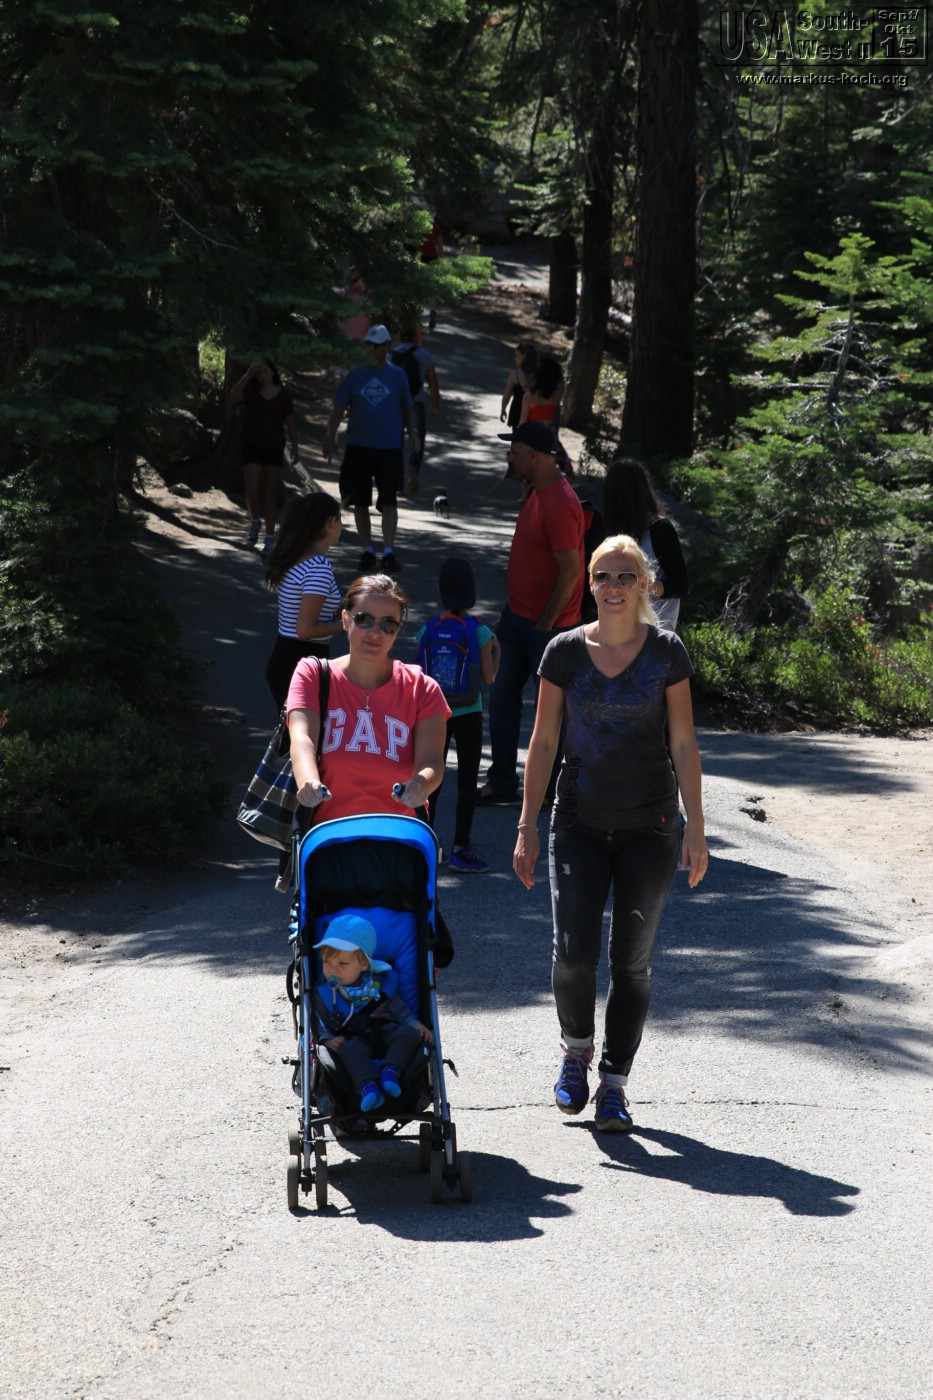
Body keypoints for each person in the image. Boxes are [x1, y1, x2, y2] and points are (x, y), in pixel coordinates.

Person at [512, 533, 708, 1134]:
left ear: (645, 585)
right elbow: (544, 740)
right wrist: (526, 823)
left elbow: (683, 742)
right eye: (603, 576)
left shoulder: (666, 652)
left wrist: (697, 828)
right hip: (577, 825)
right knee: (574, 956)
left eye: (626, 576)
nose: (614, 586)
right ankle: (575, 1053)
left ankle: (615, 1085)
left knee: (632, 964)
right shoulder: (564, 653)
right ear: (589, 584)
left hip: (652, 828)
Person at [477, 422, 585, 805]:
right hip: (516, 619)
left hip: (547, 629)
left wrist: (546, 622)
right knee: (502, 697)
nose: (510, 457)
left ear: (534, 456)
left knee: (551, 713)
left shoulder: (560, 503)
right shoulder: (536, 492)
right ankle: (502, 781)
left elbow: (571, 571)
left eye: (515, 451)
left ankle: (550, 792)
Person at [287, 574, 449, 825]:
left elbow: (432, 762)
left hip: (399, 835)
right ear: (345, 620)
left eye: (388, 624)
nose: (375, 632)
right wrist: (308, 780)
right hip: (327, 834)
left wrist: (420, 784)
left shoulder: (422, 688)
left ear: (398, 630)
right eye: (364, 620)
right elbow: (302, 737)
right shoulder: (313, 675)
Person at [418, 558, 500, 873]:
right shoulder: (480, 632)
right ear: (474, 592)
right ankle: (460, 850)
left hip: (435, 712)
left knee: (431, 779)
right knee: (467, 781)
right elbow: (489, 678)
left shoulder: (427, 630)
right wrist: (496, 652)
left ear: (439, 591)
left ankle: (427, 846)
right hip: (469, 712)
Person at [322, 326, 421, 576]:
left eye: (375, 346)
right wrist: (330, 436)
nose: (371, 350)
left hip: (389, 447)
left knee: (389, 500)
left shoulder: (397, 375)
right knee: (359, 501)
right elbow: (338, 408)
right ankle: (366, 549)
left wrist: (413, 433)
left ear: (386, 347)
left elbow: (408, 408)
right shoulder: (355, 374)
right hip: (359, 445)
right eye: (368, 345)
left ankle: (388, 551)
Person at [313, 914, 433, 1113]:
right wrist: (327, 1040)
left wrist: (414, 1023)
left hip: (386, 1033)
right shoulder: (324, 993)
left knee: (409, 1034)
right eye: (327, 962)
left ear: (364, 964)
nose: (333, 969)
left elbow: (400, 1011)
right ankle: (368, 1087)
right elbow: (319, 1022)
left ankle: (391, 1072)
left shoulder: (378, 986)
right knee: (348, 1050)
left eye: (343, 964)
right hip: (353, 1039)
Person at [264, 492, 343, 712]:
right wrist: (347, 624)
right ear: (332, 522)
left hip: (287, 659)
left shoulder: (297, 558)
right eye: (340, 520)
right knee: (304, 733)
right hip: (301, 663)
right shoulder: (319, 567)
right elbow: (305, 629)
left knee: (293, 731)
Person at [601, 458, 689, 631]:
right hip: (616, 631)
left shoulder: (660, 529)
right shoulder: (609, 530)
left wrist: (641, 585)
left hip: (655, 632)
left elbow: (680, 586)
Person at [228, 359, 300, 555]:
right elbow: (232, 398)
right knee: (251, 491)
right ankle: (254, 522)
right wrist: (248, 375)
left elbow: (290, 423)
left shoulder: (283, 396)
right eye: (258, 373)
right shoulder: (251, 392)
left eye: (265, 371)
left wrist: (295, 447)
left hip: (274, 448)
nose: (262, 376)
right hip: (252, 445)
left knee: (269, 494)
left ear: (273, 373)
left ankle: (269, 537)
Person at [389, 325, 440, 497]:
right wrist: (435, 405)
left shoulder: (391, 355)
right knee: (418, 438)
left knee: (396, 442)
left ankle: (397, 483)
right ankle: (413, 466)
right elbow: (433, 381)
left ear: (400, 337)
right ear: (415, 337)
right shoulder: (424, 355)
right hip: (416, 403)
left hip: (395, 404)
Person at [500, 342, 538, 430]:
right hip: (533, 413)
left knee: (517, 436)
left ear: (524, 356)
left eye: (517, 355)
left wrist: (503, 409)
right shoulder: (538, 375)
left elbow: (507, 395)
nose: (515, 358)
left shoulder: (515, 374)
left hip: (517, 413)